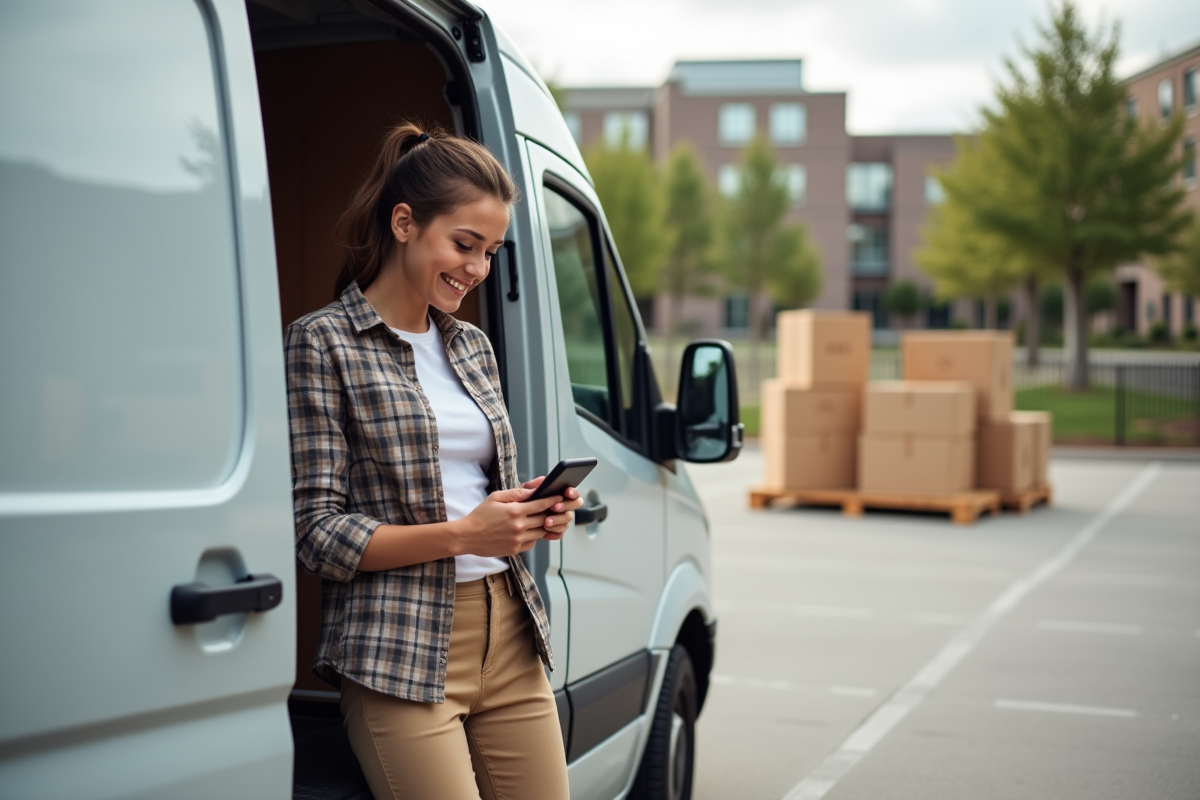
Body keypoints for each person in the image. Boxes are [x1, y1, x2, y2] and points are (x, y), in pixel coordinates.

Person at [284, 123, 580, 800]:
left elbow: (476, 490)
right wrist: (463, 536)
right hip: (398, 646)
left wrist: (530, 515)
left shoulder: (472, 345)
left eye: (490, 251)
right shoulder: (321, 343)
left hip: (508, 628)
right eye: (464, 245)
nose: (476, 269)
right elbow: (316, 533)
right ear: (405, 223)